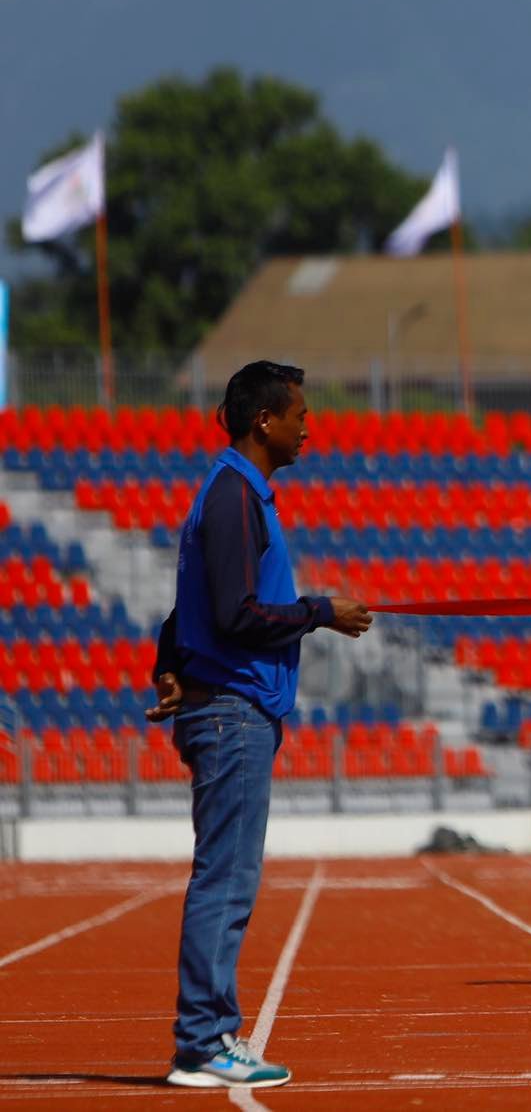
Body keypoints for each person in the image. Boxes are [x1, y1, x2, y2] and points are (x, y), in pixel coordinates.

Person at [146, 361, 374, 1089]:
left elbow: (190, 607)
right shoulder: (234, 496)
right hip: (233, 713)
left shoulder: (239, 495)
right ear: (264, 422)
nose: (310, 425)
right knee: (227, 879)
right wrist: (320, 612)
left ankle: (205, 1035)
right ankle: (204, 1039)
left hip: (232, 706)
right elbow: (235, 613)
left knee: (227, 876)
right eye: (299, 413)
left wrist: (168, 660)